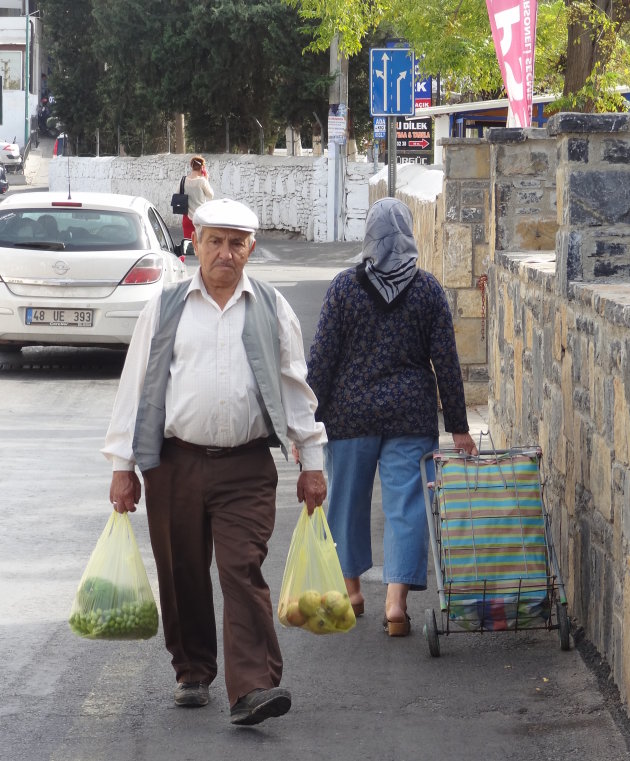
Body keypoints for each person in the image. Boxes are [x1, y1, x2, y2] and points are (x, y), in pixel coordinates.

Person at [102, 198, 327, 725]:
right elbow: (134, 386)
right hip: (174, 463)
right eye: (215, 241)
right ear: (196, 244)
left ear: (251, 248)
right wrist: (122, 464)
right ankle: (193, 669)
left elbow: (296, 388)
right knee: (182, 570)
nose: (225, 253)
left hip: (246, 467)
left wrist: (311, 460)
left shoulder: (272, 307)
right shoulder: (166, 305)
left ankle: (252, 686)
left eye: (236, 243)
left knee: (241, 568)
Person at [306, 197, 477, 637]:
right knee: (407, 506)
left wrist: (304, 421)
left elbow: (322, 359)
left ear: (369, 236)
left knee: (346, 501)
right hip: (410, 415)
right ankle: (396, 605)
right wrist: (458, 426)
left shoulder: (344, 288)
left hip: (350, 414)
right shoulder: (427, 290)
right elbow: (447, 362)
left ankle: (353, 593)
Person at [181, 155, 214, 240]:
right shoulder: (202, 181)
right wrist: (206, 179)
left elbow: (177, 193)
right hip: (200, 218)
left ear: (192, 166)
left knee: (187, 246)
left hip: (186, 218)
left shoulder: (184, 180)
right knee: (200, 246)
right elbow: (211, 195)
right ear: (202, 168)